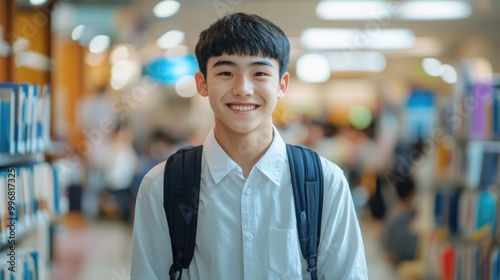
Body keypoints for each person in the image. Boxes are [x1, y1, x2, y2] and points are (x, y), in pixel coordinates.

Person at [131, 12, 368, 279]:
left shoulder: (325, 183)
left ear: (282, 84)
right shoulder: (162, 186)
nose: (243, 88)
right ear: (202, 83)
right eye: (226, 72)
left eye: (259, 72)